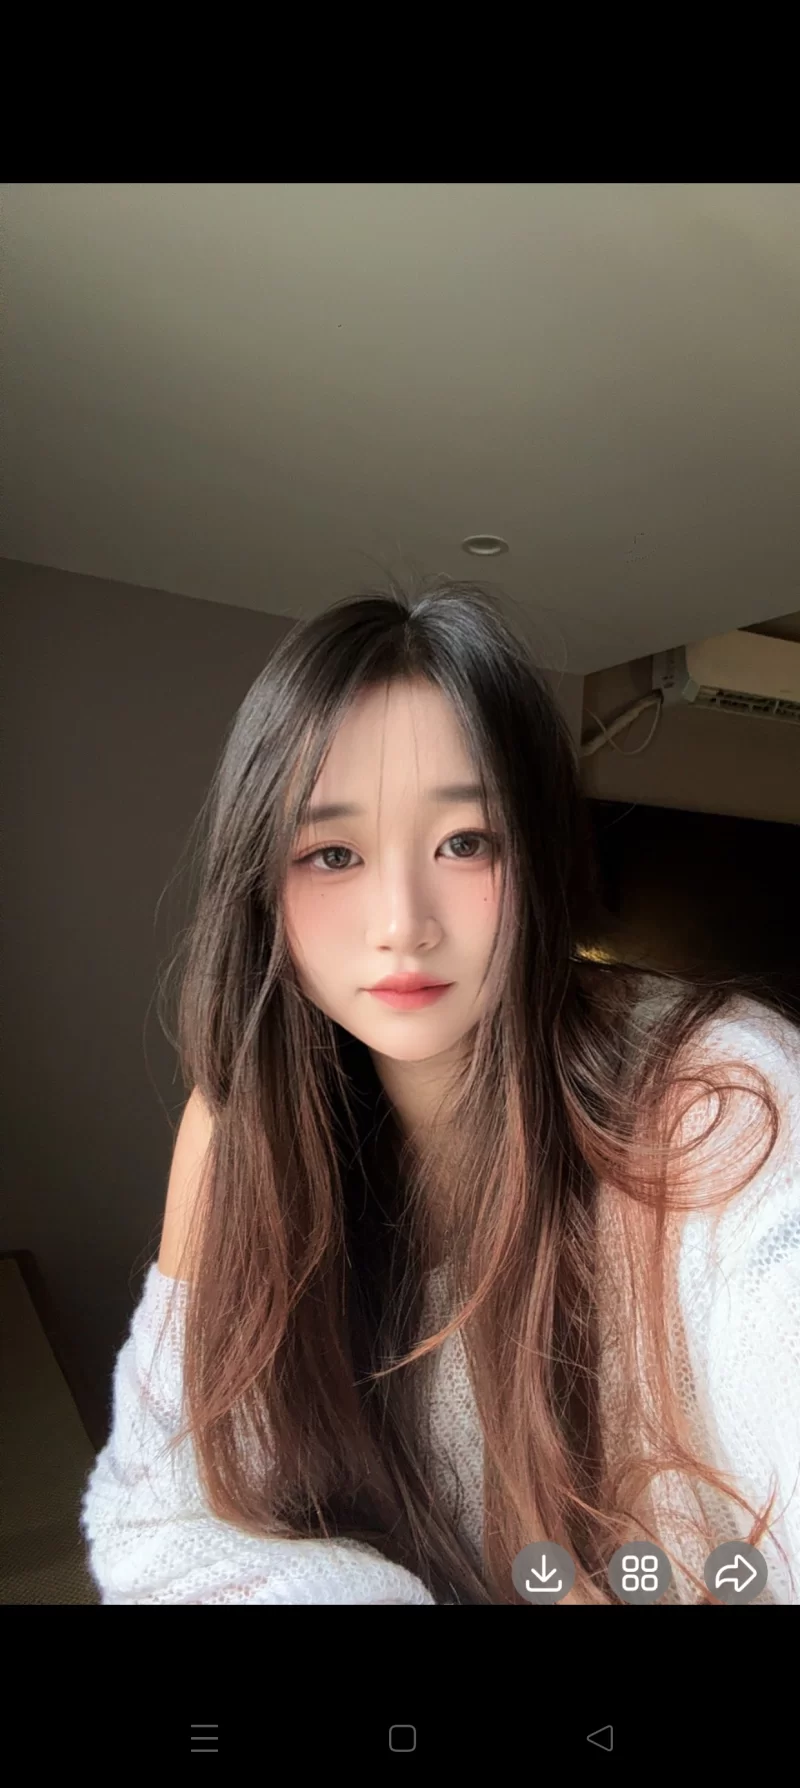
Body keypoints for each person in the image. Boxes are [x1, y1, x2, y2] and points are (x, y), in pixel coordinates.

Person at [80, 576, 800, 1605]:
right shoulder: (238, 1130)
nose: (401, 923)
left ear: (536, 854)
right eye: (333, 853)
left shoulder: (718, 1089)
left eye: (464, 842)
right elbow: (158, 1511)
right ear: (260, 883)